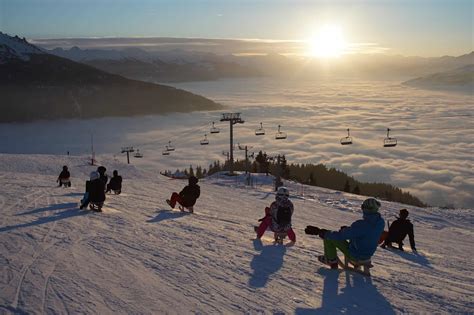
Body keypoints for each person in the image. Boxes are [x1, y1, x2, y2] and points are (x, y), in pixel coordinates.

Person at [305, 198, 384, 269]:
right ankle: (331, 258)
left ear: (366, 209)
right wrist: (348, 230)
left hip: (356, 255)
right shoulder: (380, 222)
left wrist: (320, 232)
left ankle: (331, 260)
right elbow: (365, 233)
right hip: (368, 254)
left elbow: (341, 236)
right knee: (331, 235)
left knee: (329, 236)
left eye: (362, 207)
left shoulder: (361, 225)